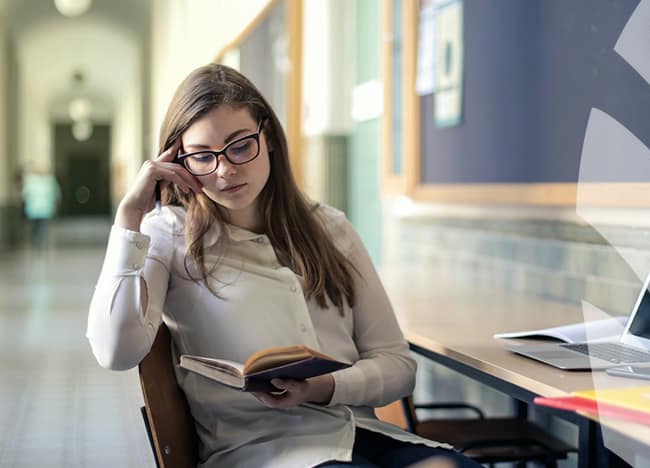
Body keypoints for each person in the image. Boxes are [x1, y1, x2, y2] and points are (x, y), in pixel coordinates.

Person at [86, 64, 482, 468]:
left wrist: (323, 387)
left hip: (361, 435)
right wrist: (128, 218)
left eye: (240, 146)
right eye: (203, 157)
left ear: (269, 137)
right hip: (261, 452)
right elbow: (116, 351)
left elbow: (399, 368)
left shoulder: (330, 228)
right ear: (180, 162)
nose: (225, 170)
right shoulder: (168, 234)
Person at [22, 162, 61, 250]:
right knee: (36, 227)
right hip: (35, 210)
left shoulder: (49, 180)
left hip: (43, 209)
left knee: (42, 227)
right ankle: (37, 241)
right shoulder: (32, 180)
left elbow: (56, 193)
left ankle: (40, 242)